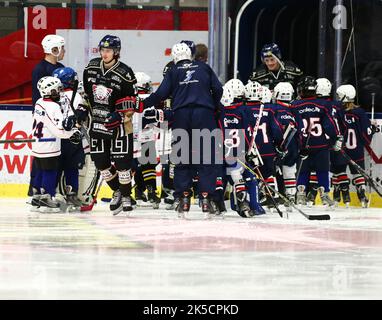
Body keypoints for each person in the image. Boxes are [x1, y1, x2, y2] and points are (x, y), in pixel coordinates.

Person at [142, 42, 223, 219]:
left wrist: (141, 104)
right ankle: (206, 198)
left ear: (174, 57)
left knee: (182, 157)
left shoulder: (172, 70)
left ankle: (183, 198)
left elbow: (160, 95)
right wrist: (215, 106)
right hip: (204, 114)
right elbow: (218, 89)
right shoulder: (204, 67)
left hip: (181, 115)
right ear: (190, 54)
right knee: (206, 157)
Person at [83, 35, 139, 215]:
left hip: (121, 126)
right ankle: (117, 191)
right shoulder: (91, 68)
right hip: (97, 124)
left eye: (108, 51)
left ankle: (126, 196)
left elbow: (132, 100)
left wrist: (120, 114)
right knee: (101, 163)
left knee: (122, 163)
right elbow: (86, 95)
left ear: (116, 52)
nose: (104, 53)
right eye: (102, 50)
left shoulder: (125, 73)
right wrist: (82, 110)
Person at [30, 76, 80, 212]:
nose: (59, 92)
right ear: (50, 91)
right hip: (49, 144)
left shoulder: (40, 102)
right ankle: (47, 197)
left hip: (38, 144)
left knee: (40, 169)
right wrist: (72, 132)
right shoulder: (52, 106)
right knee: (50, 171)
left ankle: (37, 196)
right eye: (57, 90)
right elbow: (59, 131)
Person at [290, 76, 340, 208]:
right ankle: (324, 195)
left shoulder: (295, 105)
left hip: (302, 145)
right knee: (323, 170)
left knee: (303, 170)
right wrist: (335, 139)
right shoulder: (323, 105)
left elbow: (292, 126)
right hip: (321, 144)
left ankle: (300, 195)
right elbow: (330, 126)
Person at [28, 34, 66, 198]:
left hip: (56, 115)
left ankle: (47, 188)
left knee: (52, 156)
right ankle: (36, 188)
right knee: (43, 156)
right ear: (54, 49)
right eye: (61, 48)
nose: (64, 51)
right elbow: (40, 98)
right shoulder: (40, 69)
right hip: (45, 117)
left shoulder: (61, 67)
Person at [52, 67, 88, 210]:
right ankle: (71, 193)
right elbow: (81, 116)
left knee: (57, 166)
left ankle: (55, 194)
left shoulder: (54, 96)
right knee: (72, 167)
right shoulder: (77, 96)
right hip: (73, 137)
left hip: (58, 136)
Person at [336, 84, 376, 208]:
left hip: (341, 149)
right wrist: (372, 129)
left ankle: (342, 196)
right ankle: (362, 195)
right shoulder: (359, 112)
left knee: (339, 171)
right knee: (358, 173)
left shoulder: (338, 113)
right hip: (356, 149)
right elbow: (366, 134)